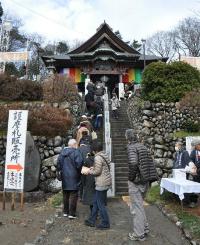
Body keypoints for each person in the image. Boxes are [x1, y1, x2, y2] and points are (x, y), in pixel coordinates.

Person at [125, 129, 158, 242]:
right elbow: (149, 163)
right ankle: (145, 228)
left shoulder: (131, 147)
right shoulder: (143, 147)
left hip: (136, 182)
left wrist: (130, 178)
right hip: (145, 180)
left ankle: (139, 234)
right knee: (140, 206)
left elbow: (133, 163)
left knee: (136, 207)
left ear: (128, 138)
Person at [84, 140, 111, 229]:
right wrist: (94, 167)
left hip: (101, 183)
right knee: (96, 202)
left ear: (94, 149)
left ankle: (105, 223)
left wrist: (89, 171)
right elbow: (102, 167)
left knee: (100, 205)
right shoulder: (104, 155)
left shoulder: (97, 157)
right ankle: (92, 220)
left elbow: (97, 172)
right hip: (105, 181)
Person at [57, 139, 83, 219]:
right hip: (74, 176)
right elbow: (79, 164)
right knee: (73, 195)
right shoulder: (76, 152)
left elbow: (58, 165)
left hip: (64, 176)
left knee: (65, 194)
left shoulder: (62, 153)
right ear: (74, 144)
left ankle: (65, 212)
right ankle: (72, 214)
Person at [186, 139, 200, 207]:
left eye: (194, 146)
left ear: (198, 145)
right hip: (196, 173)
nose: (193, 148)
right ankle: (193, 202)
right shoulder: (194, 151)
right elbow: (190, 159)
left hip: (198, 170)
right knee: (194, 187)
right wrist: (191, 165)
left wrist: (196, 166)